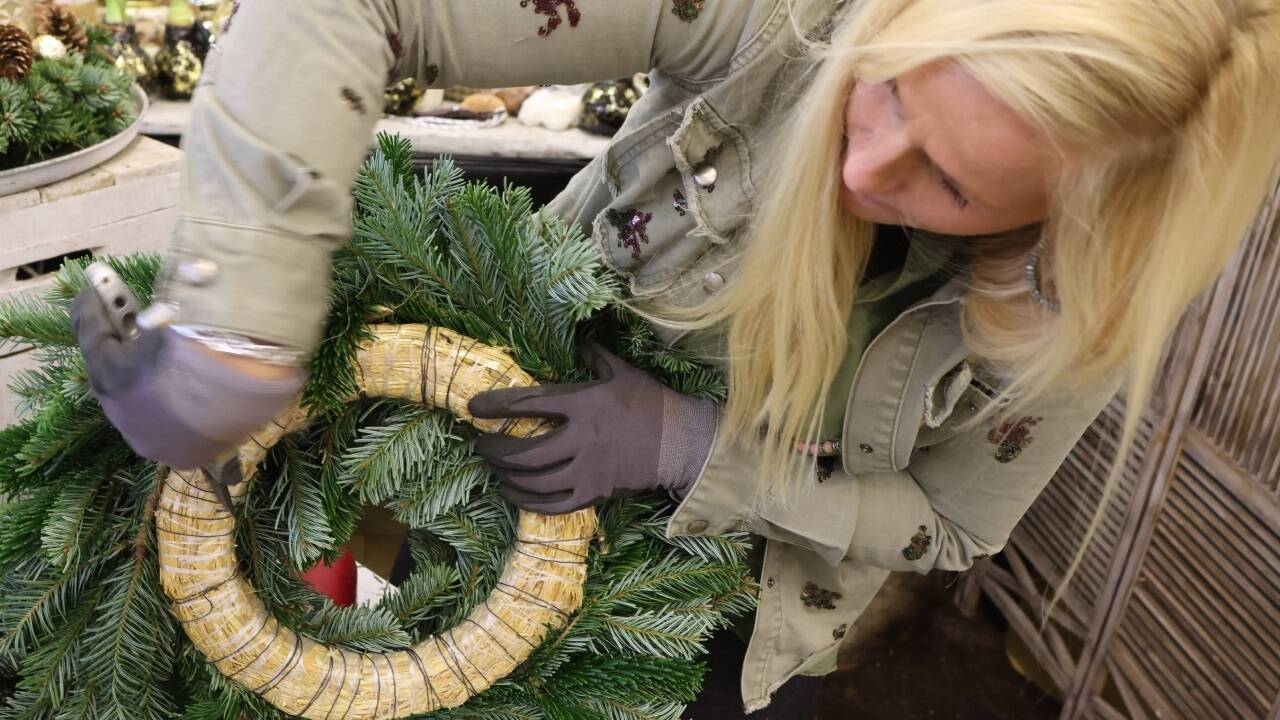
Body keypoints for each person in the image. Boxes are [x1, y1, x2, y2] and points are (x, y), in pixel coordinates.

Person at [70, 0, 1280, 717]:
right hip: (467, 466)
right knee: (349, 601)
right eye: (889, 94)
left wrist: (695, 452)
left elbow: (953, 528)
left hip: (718, 625)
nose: (864, 174)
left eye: (951, 185)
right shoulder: (777, 22)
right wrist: (239, 323)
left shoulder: (1085, 309)